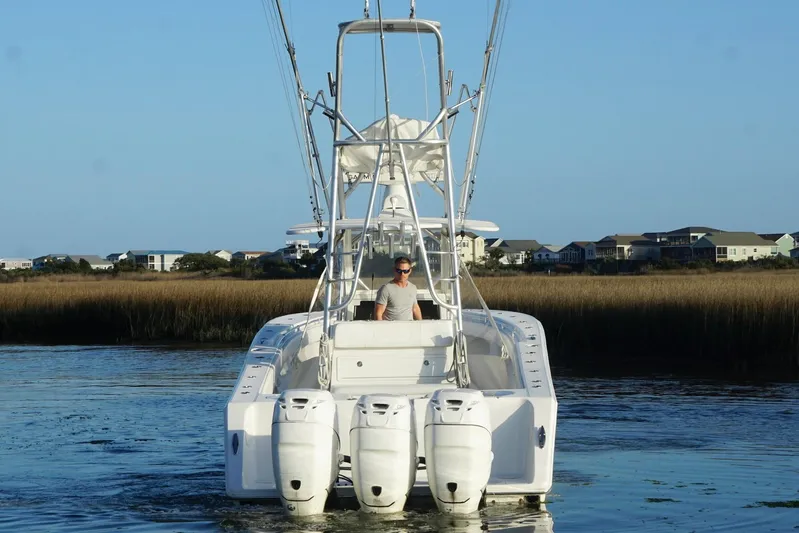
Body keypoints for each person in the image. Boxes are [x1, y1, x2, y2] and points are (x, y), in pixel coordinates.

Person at [374, 256, 423, 321]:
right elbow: (378, 313)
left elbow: (415, 308)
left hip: (409, 329)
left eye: (405, 271)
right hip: (391, 330)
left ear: (410, 271)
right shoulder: (385, 289)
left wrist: (421, 326)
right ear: (394, 270)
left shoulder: (413, 288)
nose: (402, 274)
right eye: (399, 270)